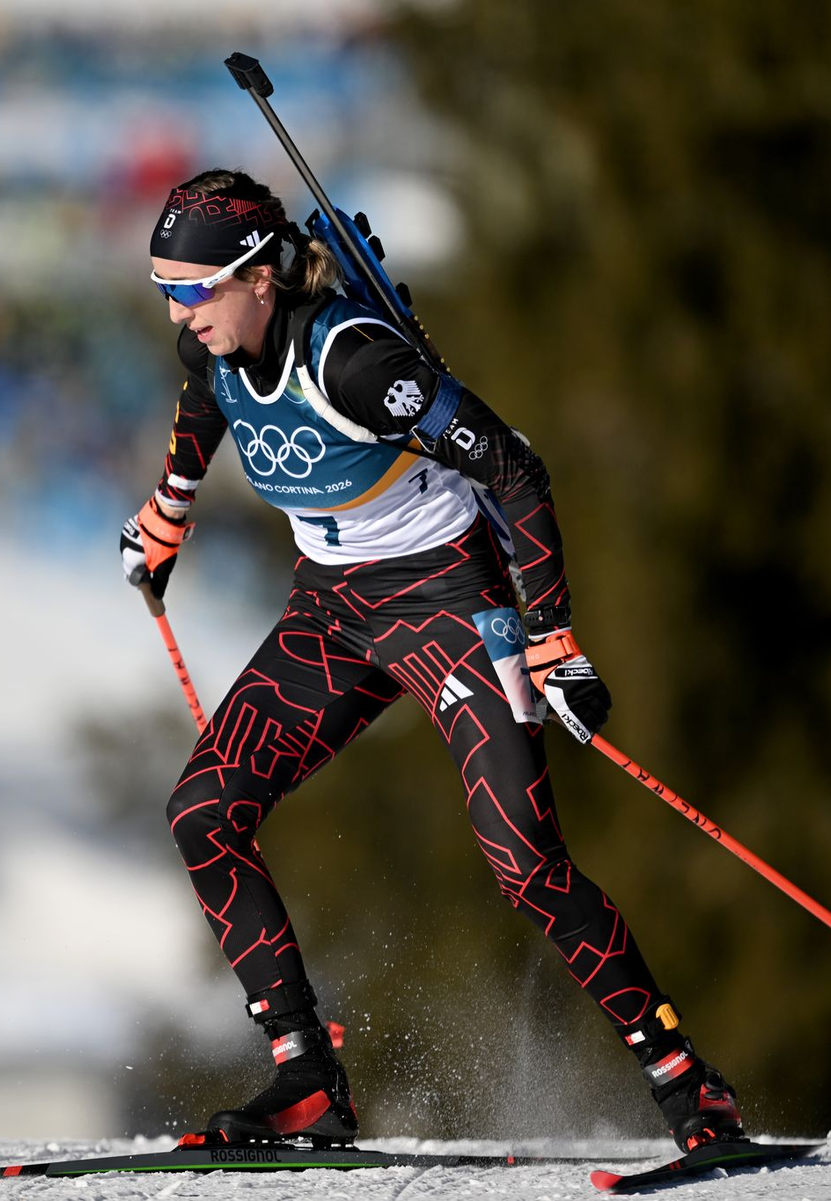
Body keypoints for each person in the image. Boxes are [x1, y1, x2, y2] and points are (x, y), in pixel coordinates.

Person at [121, 169, 745, 1151]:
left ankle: (688, 1085)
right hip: (332, 609)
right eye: (164, 288)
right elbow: (209, 404)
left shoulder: (355, 362)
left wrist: (553, 638)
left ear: (258, 277)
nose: (177, 310)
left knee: (525, 862)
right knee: (203, 812)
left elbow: (514, 469)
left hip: (446, 601)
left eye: (192, 288)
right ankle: (307, 1078)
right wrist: (168, 512)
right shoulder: (212, 341)